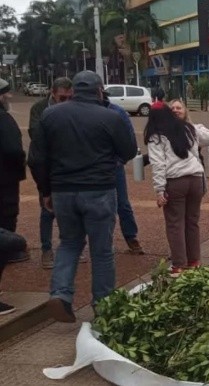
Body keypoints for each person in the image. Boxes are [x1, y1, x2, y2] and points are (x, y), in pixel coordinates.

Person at [28, 71, 137, 322]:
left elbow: (36, 158)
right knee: (102, 250)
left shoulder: (50, 115)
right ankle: (103, 304)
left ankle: (60, 293)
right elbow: (129, 150)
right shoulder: (110, 117)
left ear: (74, 90)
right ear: (99, 91)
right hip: (99, 189)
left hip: (63, 190)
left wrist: (46, 190)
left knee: (69, 243)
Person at [145, 105, 209, 277]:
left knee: (175, 223)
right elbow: (207, 139)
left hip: (175, 181)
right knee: (192, 221)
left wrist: (159, 190)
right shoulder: (187, 129)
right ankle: (194, 261)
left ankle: (179, 264)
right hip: (196, 179)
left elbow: (158, 164)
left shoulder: (156, 137)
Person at [28, 77, 79, 268]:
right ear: (52, 93)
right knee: (47, 208)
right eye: (62, 98)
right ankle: (46, 249)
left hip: (66, 164)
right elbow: (35, 133)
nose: (66, 102)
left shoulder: (74, 108)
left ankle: (72, 246)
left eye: (69, 98)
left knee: (72, 208)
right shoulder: (39, 108)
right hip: (44, 165)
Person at [101, 91, 145, 255]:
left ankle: (131, 236)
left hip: (114, 165)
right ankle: (103, 241)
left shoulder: (117, 112)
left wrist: (120, 160)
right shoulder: (83, 111)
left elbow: (129, 139)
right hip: (93, 167)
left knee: (122, 203)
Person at [0, 79, 29, 269]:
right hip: (5, 184)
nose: (9, 97)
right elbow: (13, 150)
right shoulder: (4, 119)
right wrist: (20, 165)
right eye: (5, 94)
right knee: (5, 232)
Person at [170, 98, 209, 168]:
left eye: (178, 108)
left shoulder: (195, 128)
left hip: (193, 171)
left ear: (185, 111)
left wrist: (189, 129)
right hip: (173, 171)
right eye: (172, 108)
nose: (175, 110)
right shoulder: (164, 131)